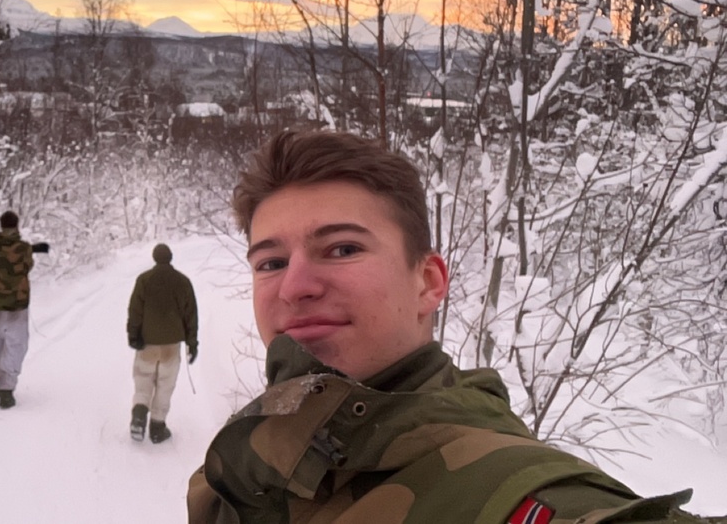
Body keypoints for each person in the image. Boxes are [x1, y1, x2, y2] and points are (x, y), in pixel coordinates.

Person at [187, 130, 716, 524]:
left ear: (428, 282)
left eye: (343, 249)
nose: (294, 286)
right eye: (271, 262)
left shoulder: (513, 494)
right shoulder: (256, 458)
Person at [127, 243, 199, 444]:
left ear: (154, 258)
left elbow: (135, 310)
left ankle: (139, 416)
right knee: (165, 385)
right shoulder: (183, 282)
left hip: (147, 344)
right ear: (170, 257)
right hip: (171, 347)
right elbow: (191, 315)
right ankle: (157, 427)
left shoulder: (144, 280)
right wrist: (192, 343)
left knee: (143, 380)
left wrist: (133, 335)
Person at [0, 210, 34, 410]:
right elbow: (27, 266)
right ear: (17, 225)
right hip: (17, 304)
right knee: (16, 344)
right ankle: (7, 389)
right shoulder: (24, 248)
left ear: (1, 225)